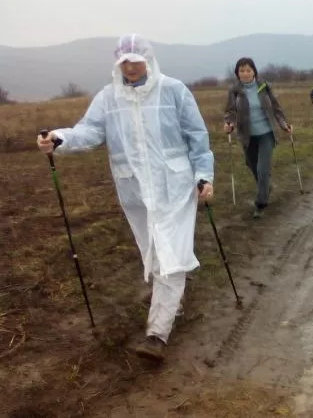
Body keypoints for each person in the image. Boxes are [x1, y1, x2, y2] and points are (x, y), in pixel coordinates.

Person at [36, 34, 215, 361]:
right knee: (156, 253)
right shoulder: (108, 97)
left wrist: (204, 175)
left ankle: (157, 335)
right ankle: (171, 302)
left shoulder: (173, 90)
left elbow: (196, 136)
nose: (130, 68)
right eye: (124, 62)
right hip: (134, 191)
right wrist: (60, 138)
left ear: (148, 60)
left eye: (136, 61)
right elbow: (90, 130)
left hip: (174, 188)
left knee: (172, 253)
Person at [223, 57, 293, 218]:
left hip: (266, 133)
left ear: (254, 71)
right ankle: (266, 187)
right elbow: (230, 111)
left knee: (263, 168)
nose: (245, 73)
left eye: (248, 70)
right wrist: (229, 123)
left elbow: (276, 108)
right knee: (252, 165)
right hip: (247, 136)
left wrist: (284, 125)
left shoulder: (264, 87)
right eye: (242, 70)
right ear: (237, 73)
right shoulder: (235, 90)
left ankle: (261, 203)